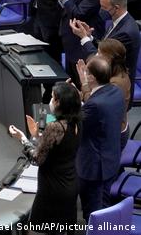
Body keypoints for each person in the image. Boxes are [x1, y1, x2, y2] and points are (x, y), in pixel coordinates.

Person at [8, 82, 81, 229]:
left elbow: (37, 158)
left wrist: (23, 138)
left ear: (59, 102)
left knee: (36, 231)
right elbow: (57, 148)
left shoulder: (55, 127)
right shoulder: (77, 122)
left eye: (53, 98)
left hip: (52, 191)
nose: (50, 102)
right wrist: (37, 134)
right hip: (70, 185)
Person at [74, 57, 123, 220]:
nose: (84, 73)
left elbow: (76, 127)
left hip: (94, 168)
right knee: (104, 204)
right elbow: (95, 105)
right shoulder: (115, 91)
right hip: (110, 159)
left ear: (92, 77)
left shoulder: (93, 105)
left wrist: (72, 99)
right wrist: (84, 84)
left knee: (94, 213)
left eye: (87, 71)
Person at [52, 0, 106, 82]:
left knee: (80, 81)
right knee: (70, 78)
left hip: (81, 45)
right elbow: (68, 2)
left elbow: (79, 13)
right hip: (69, 37)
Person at [71, 0, 141, 85]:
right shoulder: (118, 22)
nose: (101, 10)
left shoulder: (126, 33)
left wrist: (84, 38)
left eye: (104, 8)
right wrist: (90, 37)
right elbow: (105, 46)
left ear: (116, 8)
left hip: (116, 88)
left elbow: (101, 60)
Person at [89, 40, 132, 148]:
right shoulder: (114, 73)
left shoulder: (116, 84)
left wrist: (85, 84)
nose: (96, 55)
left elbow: (95, 105)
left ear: (109, 58)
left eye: (99, 53)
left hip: (114, 137)